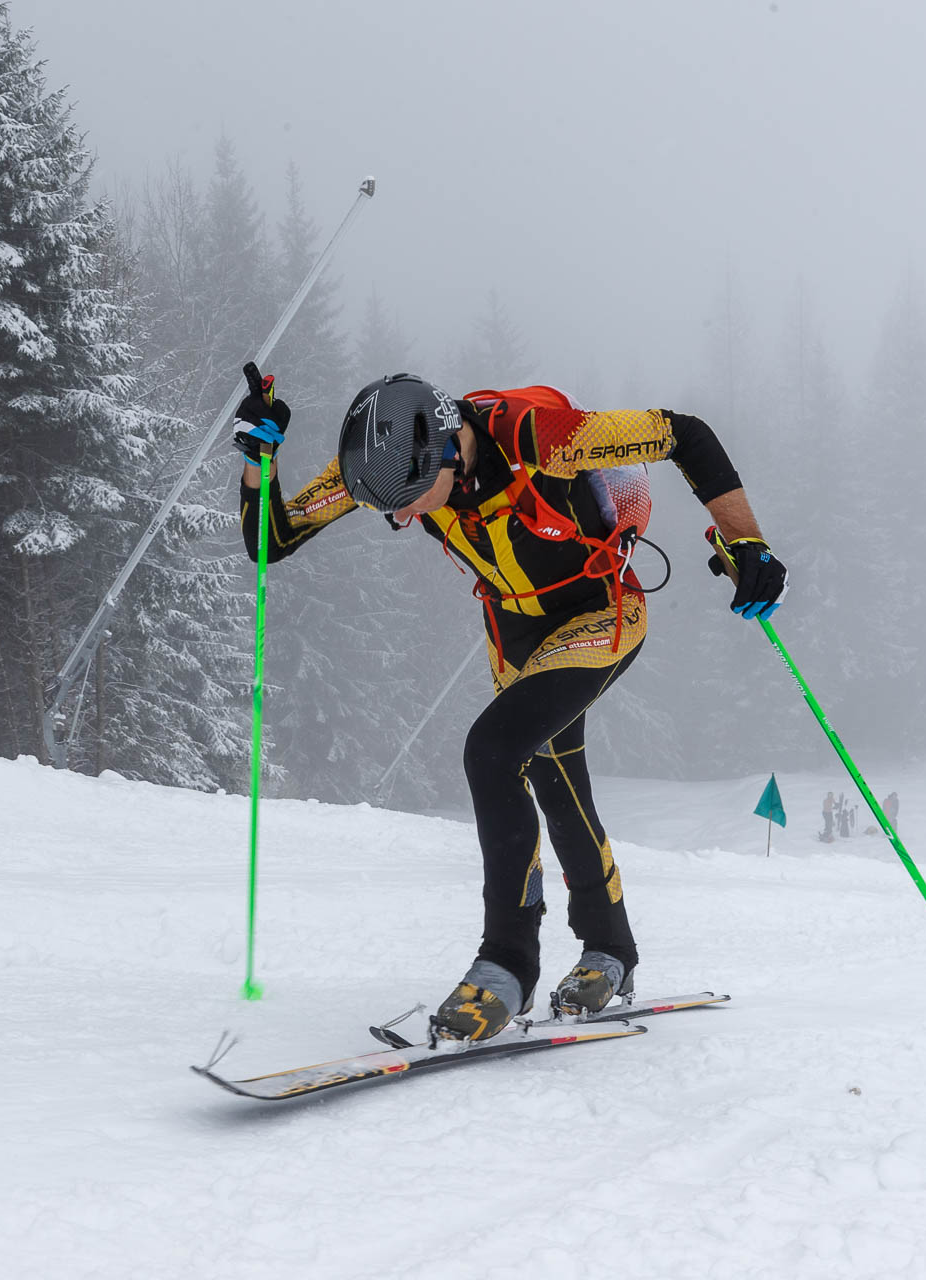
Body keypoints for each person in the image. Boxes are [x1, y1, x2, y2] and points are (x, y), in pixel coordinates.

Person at [233, 366, 787, 1040]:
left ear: (447, 448)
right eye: (388, 508)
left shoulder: (545, 437)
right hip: (514, 636)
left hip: (600, 612)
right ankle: (611, 951)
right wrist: (260, 463)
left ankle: (508, 963)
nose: (403, 518)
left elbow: (685, 436)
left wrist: (747, 539)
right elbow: (272, 541)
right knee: (556, 781)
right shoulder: (382, 463)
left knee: (493, 752)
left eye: (409, 500)